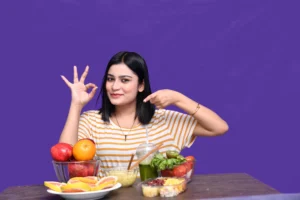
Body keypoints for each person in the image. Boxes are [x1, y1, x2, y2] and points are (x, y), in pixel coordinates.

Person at [59, 51, 229, 176]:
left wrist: (178, 99)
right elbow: (64, 158)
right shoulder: (91, 121)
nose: (115, 86)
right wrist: (76, 105)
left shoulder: (165, 120)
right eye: (110, 79)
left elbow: (219, 127)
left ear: (141, 85)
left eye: (124, 80)